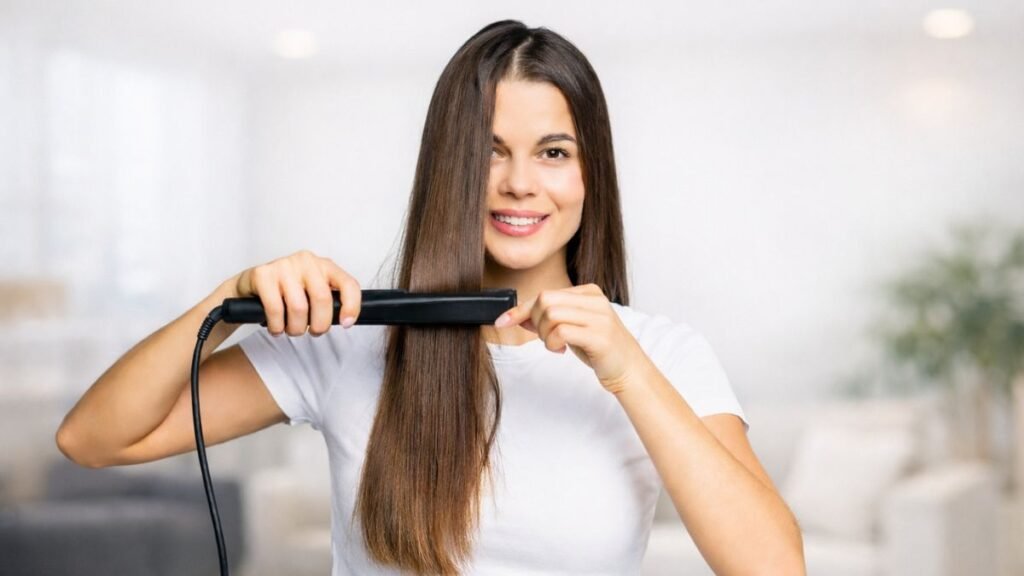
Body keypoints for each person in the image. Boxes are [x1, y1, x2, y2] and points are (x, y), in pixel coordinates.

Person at [56, 19, 804, 576]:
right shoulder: (348, 341)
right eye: (488, 151)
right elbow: (93, 439)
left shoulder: (664, 355)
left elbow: (774, 567)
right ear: (449, 168)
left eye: (553, 152)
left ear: (588, 175)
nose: (519, 182)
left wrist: (629, 372)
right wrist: (225, 301)